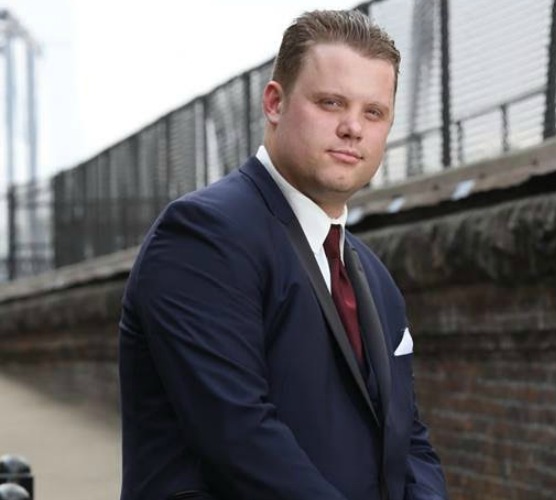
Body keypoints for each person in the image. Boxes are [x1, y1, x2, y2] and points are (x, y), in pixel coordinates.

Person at [118, 9, 448, 500]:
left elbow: (409, 440)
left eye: (373, 112)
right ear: (274, 103)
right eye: (331, 103)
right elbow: (241, 439)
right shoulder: (202, 237)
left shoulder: (375, 278)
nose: (353, 128)